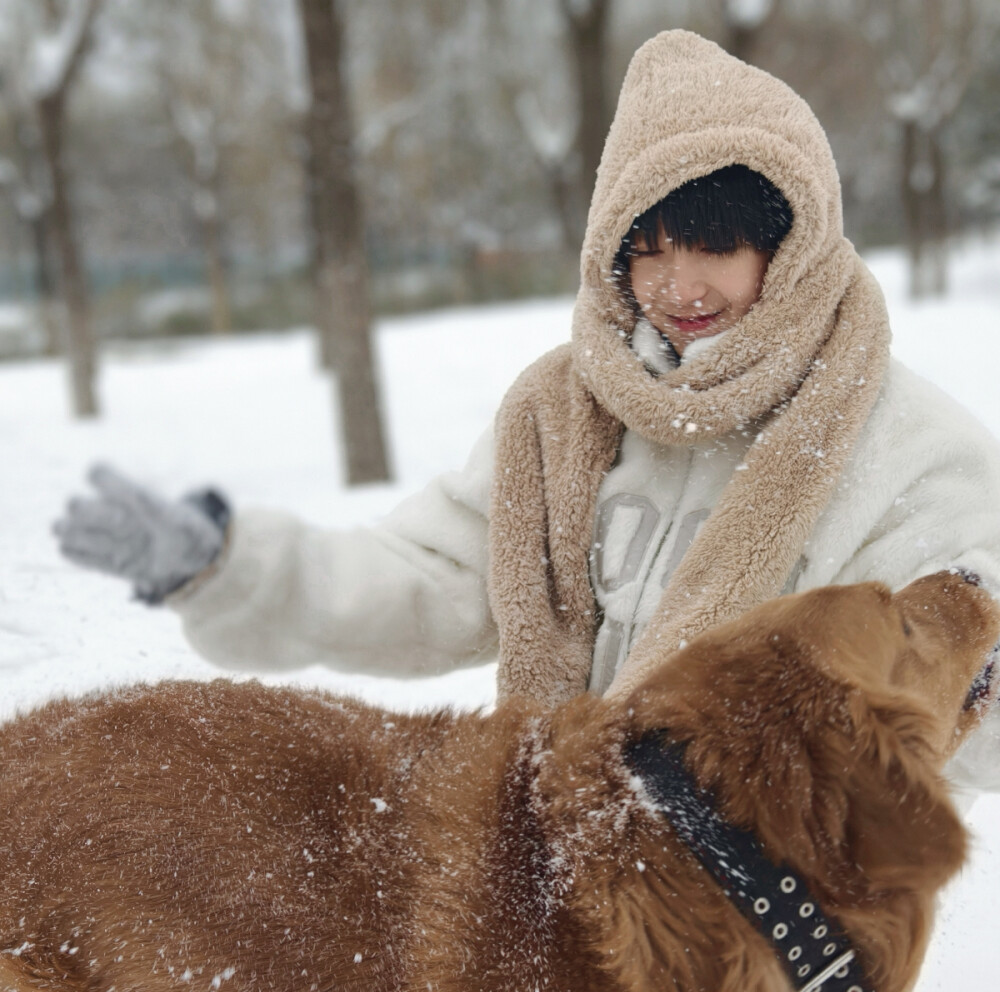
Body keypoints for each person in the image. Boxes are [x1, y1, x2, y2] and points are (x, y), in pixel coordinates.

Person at [57, 29, 1000, 796]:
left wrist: (976, 680)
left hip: (789, 949)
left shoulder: (904, 448)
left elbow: (966, 707)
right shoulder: (567, 421)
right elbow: (425, 577)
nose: (679, 284)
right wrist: (228, 567)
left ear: (790, 240)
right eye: (649, 247)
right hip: (575, 905)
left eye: (714, 243)